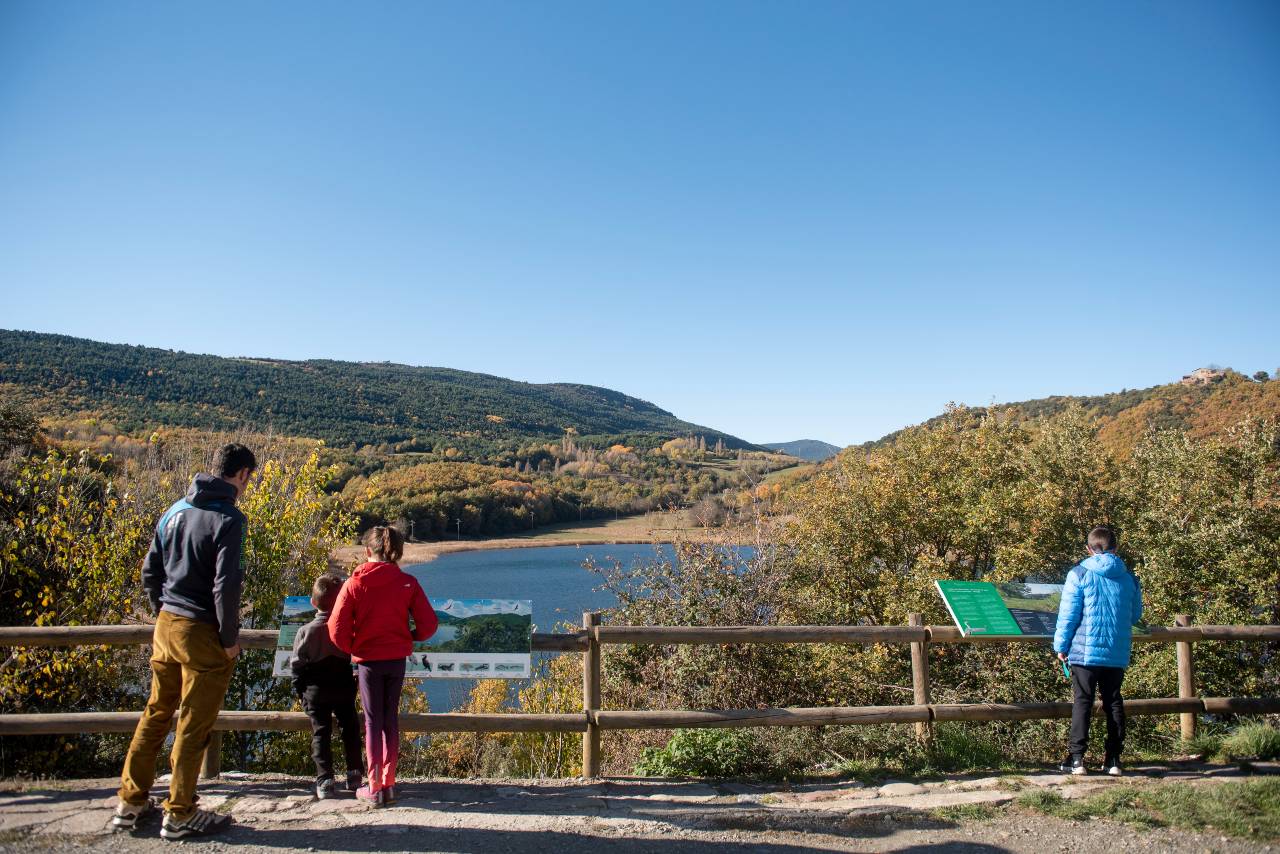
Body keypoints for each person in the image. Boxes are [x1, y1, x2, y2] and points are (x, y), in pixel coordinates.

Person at [114, 443, 256, 839]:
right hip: (202, 632)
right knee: (194, 723)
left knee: (156, 713)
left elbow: (150, 572)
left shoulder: (174, 511)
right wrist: (229, 638)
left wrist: (164, 608)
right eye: (249, 479)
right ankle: (179, 813)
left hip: (166, 625)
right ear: (242, 474)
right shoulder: (229, 518)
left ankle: (131, 802)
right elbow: (226, 586)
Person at [329, 526, 437, 806]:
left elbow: (336, 628)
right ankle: (388, 783)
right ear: (398, 552)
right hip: (396, 660)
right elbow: (428, 625)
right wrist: (408, 638)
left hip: (368, 663)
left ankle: (374, 786)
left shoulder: (354, 583)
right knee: (390, 719)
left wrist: (354, 647)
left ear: (367, 551)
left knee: (372, 721)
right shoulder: (408, 583)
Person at [1053, 525, 1143, 777]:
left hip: (1084, 652)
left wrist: (1061, 646)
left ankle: (1077, 759)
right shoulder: (1130, 578)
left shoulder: (1079, 573)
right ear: (1116, 547)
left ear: (1089, 549)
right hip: (1116, 652)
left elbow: (1068, 616)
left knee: (1083, 702)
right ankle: (1113, 759)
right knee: (1114, 702)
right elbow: (1135, 615)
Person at [291, 574, 364, 799]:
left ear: (314, 602)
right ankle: (354, 774)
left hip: (315, 690)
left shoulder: (305, 631)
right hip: (342, 686)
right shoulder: (347, 628)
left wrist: (300, 690)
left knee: (320, 733)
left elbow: (297, 664)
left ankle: (325, 780)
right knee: (350, 729)